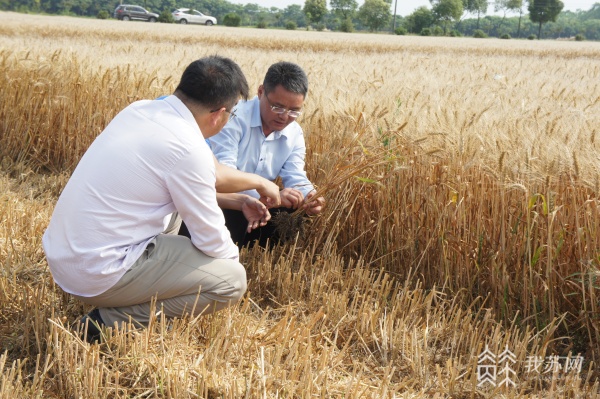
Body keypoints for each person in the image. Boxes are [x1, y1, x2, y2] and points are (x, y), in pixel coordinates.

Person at [42, 55, 281, 343]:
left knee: (178, 213)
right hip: (98, 273)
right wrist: (225, 267)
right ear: (219, 114)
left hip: (66, 257)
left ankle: (135, 292)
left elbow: (210, 173)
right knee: (231, 281)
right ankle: (106, 323)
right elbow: (214, 243)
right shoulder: (187, 148)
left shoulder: (141, 110)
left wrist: (253, 189)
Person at [206, 61, 325, 248]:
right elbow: (224, 176)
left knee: (294, 208)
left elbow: (295, 174)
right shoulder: (234, 117)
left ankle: (262, 251)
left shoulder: (294, 133)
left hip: (261, 204)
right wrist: (272, 196)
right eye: (277, 107)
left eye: (294, 111)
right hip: (223, 201)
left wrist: (309, 195)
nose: (284, 116)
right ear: (261, 92)